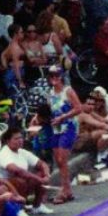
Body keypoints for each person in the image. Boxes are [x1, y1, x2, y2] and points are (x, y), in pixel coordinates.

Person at [0, 126, 53, 214]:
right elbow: (17, 171)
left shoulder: (22, 152)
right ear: (8, 141)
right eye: (16, 139)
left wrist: (47, 176)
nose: (20, 140)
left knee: (42, 174)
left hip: (20, 183)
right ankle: (19, 209)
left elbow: (42, 164)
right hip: (3, 185)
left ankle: (37, 206)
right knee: (20, 180)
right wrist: (39, 180)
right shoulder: (4, 153)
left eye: (21, 138)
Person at [42, 66, 80, 203]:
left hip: (68, 126)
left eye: (57, 76)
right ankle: (67, 190)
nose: (54, 78)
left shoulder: (67, 91)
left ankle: (64, 191)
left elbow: (78, 108)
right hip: (56, 128)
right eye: (52, 76)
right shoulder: (50, 93)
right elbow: (49, 110)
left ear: (61, 76)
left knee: (62, 158)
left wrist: (63, 117)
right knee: (58, 160)